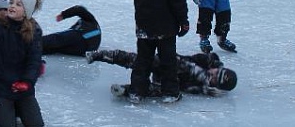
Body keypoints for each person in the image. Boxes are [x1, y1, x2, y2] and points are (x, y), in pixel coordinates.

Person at [88, 49, 237, 96]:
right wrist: (201, 74)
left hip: (168, 82)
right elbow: (185, 63)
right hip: (168, 63)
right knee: (138, 60)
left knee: (167, 92)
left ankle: (127, 90)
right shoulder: (206, 61)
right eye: (216, 72)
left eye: (215, 79)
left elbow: (185, 88)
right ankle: (102, 55)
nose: (212, 75)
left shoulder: (204, 88)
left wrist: (203, 88)